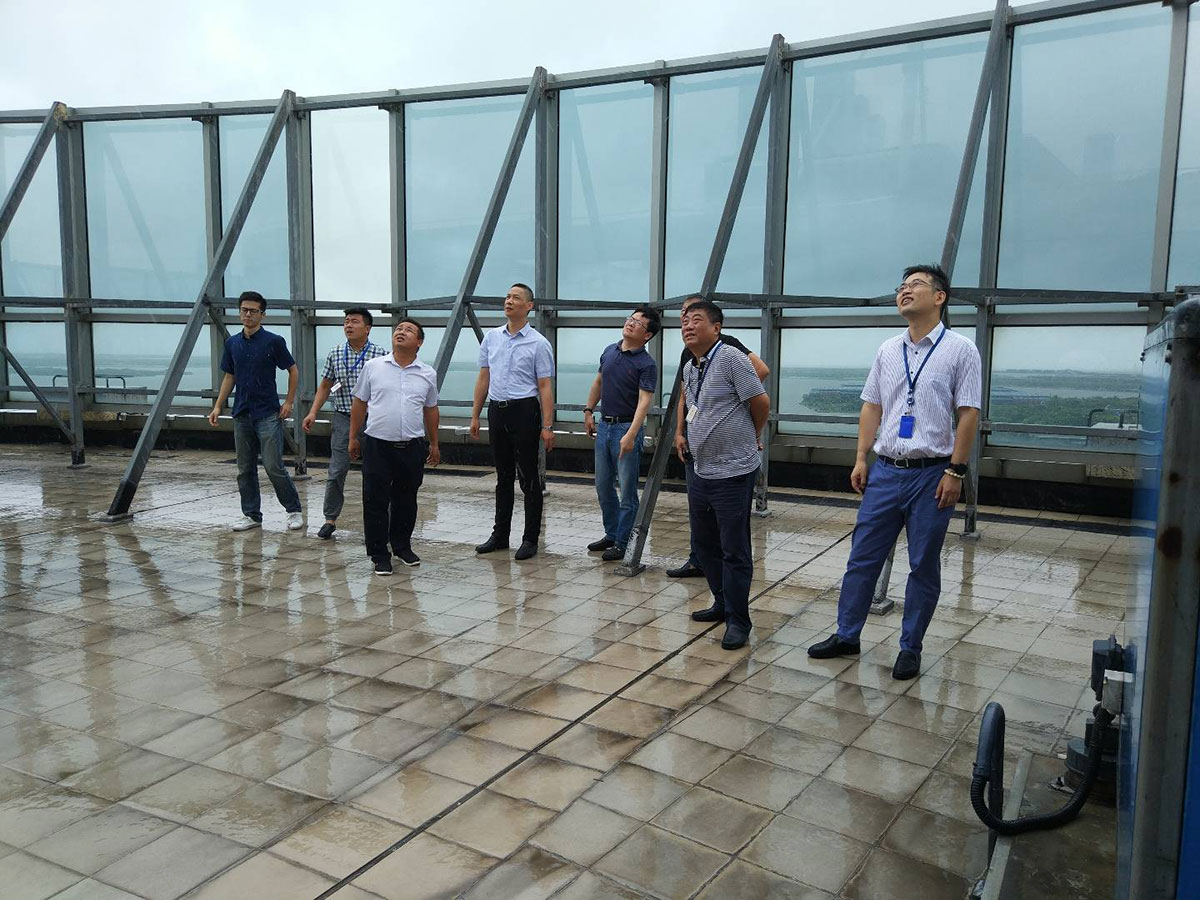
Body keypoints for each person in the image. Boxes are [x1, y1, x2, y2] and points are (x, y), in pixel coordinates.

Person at [808, 263, 981, 680]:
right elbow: (872, 405)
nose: (904, 290)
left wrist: (956, 471)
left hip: (932, 473)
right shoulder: (888, 350)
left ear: (939, 297)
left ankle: (910, 647)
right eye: (902, 286)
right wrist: (861, 457)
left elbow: (969, 413)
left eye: (915, 285)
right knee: (861, 558)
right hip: (885, 470)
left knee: (923, 564)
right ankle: (847, 634)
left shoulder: (961, 349)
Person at [678, 300, 770, 650]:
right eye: (685, 322)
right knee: (704, 544)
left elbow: (760, 403)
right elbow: (692, 408)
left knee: (734, 548)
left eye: (696, 320)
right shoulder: (691, 366)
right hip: (699, 468)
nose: (688, 326)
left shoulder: (731, 357)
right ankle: (721, 601)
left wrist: (752, 436)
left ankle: (738, 620)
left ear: (716, 328)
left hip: (732, 471)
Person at [469, 283, 555, 560]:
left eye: (515, 297)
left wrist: (547, 426)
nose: (509, 301)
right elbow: (484, 377)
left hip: (525, 411)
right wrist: (475, 415)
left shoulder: (538, 343)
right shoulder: (492, 338)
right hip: (497, 410)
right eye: (507, 296)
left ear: (529, 306)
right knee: (502, 476)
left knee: (529, 477)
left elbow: (545, 386)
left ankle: (530, 538)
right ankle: (500, 535)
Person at [348, 318, 440, 575]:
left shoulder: (427, 373)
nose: (401, 332)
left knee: (406, 500)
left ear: (419, 342)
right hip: (377, 445)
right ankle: (379, 554)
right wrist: (353, 437)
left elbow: (431, 409)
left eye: (408, 330)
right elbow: (360, 402)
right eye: (399, 329)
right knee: (375, 500)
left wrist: (434, 443)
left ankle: (401, 546)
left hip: (412, 446)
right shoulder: (373, 367)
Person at [208, 290, 304, 532]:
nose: (248, 314)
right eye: (244, 310)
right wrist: (218, 405)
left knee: (273, 466)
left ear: (263, 314)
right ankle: (251, 515)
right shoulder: (232, 343)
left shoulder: (273, 341)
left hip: (268, 414)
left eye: (253, 311)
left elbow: (293, 370)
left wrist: (289, 402)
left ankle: (293, 510)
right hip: (242, 413)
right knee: (245, 469)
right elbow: (229, 376)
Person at [583, 306, 661, 561]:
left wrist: (631, 434)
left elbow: (644, 402)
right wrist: (588, 410)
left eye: (638, 323)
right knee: (603, 486)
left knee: (627, 491)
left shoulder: (646, 364)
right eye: (631, 319)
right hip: (604, 426)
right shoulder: (609, 350)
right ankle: (612, 533)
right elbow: (599, 382)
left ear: (647, 335)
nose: (631, 323)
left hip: (626, 428)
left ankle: (623, 542)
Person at [302, 307, 388, 540]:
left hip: (372, 420)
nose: (349, 325)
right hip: (343, 417)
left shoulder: (381, 355)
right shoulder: (335, 353)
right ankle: (330, 519)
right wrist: (313, 412)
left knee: (375, 472)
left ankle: (379, 520)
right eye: (346, 321)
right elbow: (325, 386)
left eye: (354, 321)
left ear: (367, 328)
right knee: (337, 470)